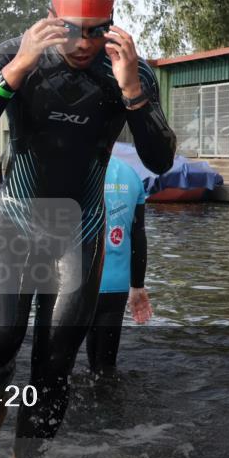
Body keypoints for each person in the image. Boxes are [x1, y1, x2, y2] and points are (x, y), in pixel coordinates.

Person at [0, 0, 176, 458]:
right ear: (54, 16)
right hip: (16, 221)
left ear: (110, 24)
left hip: (78, 231)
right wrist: (15, 73)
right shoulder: (15, 53)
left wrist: (132, 93)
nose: (83, 43)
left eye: (96, 32)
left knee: (54, 366)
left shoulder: (129, 70)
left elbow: (161, 159)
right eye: (73, 29)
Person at [84, 155, 152, 376]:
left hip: (78, 284)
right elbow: (138, 234)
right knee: (105, 368)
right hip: (117, 285)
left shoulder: (73, 167)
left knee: (58, 366)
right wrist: (138, 285)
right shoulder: (131, 175)